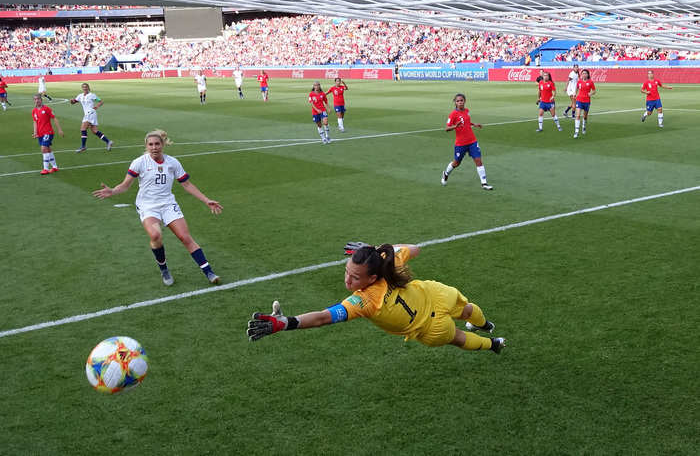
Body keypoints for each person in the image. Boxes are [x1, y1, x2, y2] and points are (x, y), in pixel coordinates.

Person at [247, 242, 506, 355]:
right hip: (435, 295)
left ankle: (492, 343)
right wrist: (380, 248)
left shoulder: (364, 302)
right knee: (468, 308)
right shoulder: (389, 262)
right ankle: (485, 326)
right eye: (347, 272)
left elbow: (324, 317)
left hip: (430, 328)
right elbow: (415, 248)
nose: (348, 281)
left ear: (371, 279)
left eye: (355, 277)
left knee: (460, 339)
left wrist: (285, 323)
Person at [92, 129, 223, 286]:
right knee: (155, 235)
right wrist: (113, 191)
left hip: (168, 204)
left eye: (157, 144)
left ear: (163, 145)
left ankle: (209, 272)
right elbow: (125, 185)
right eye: (151, 144)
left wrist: (206, 200)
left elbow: (187, 184)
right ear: (146, 146)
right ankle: (164, 269)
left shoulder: (173, 162)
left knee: (185, 237)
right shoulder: (139, 162)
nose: (154, 147)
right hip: (148, 206)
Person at [440, 93, 493, 190]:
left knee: (478, 160)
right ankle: (446, 173)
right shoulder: (453, 114)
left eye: (461, 100)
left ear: (465, 101)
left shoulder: (467, 111)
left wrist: (474, 124)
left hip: (472, 141)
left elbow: (467, 122)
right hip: (461, 143)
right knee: (456, 163)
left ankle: (484, 183)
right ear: (455, 102)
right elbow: (447, 128)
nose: (460, 102)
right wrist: (455, 126)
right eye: (458, 101)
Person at [70, 83, 113, 153]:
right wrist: (72, 101)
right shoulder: (80, 96)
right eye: (83, 87)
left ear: (88, 88)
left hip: (91, 113)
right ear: (82, 88)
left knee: (83, 128)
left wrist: (97, 106)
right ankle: (108, 141)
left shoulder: (92, 95)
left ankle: (83, 146)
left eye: (86, 87)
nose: (85, 88)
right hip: (88, 114)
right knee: (94, 131)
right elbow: (74, 102)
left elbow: (101, 101)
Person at [31, 93, 63, 175]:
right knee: (48, 149)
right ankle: (55, 167)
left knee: (43, 148)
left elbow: (54, 118)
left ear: (41, 100)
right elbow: (35, 122)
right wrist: (35, 132)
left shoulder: (46, 109)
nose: (37, 101)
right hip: (40, 133)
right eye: (35, 99)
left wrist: (59, 130)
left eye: (38, 99)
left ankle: (45, 169)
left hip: (48, 132)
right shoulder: (34, 111)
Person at [573, 69, 596, 139]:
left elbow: (594, 91)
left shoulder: (590, 82)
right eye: (583, 73)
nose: (584, 75)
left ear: (588, 75)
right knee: (578, 115)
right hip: (579, 100)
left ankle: (584, 126)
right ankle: (576, 131)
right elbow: (577, 88)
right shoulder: (579, 82)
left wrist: (591, 93)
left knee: (585, 116)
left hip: (587, 101)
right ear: (581, 74)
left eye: (585, 73)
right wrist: (575, 93)